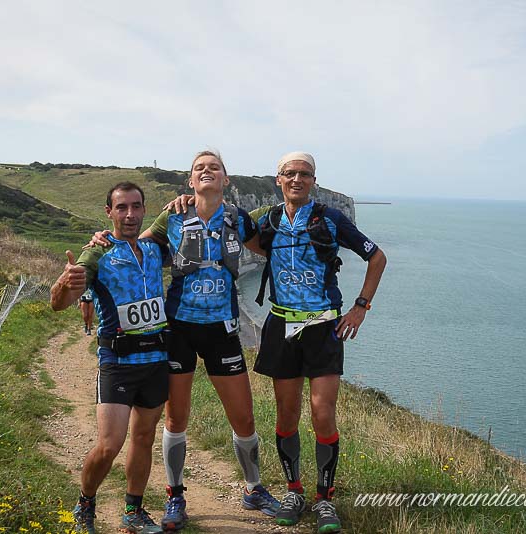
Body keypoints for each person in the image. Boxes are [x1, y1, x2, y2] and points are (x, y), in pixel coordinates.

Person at [90, 151, 279, 531]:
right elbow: (134, 249)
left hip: (223, 328)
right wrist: (101, 243)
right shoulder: (172, 216)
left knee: (243, 417)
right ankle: (174, 495)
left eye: (214, 167)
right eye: (199, 168)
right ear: (190, 181)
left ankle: (254, 488)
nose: (207, 171)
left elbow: (271, 249)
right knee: (177, 418)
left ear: (226, 179)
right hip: (178, 328)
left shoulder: (239, 219)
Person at [250, 152, 387, 534]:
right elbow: (238, 235)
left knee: (322, 412)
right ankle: (294, 492)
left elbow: (377, 258)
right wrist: (186, 202)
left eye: (305, 174)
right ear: (278, 179)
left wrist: (360, 307)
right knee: (286, 413)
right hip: (282, 324)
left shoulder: (331, 218)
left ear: (313, 180)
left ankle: (325, 498)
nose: (297, 179)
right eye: (290, 173)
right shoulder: (268, 220)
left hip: (324, 326)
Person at [51, 182, 169, 534]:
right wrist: (65, 283)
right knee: (109, 444)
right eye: (121, 207)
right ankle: (85, 503)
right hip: (118, 363)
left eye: (136, 206)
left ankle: (133, 510)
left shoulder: (153, 249)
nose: (130, 214)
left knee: (144, 439)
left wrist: (184, 197)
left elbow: (182, 214)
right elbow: (58, 304)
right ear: (109, 212)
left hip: (156, 360)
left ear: (144, 209)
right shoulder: (96, 253)